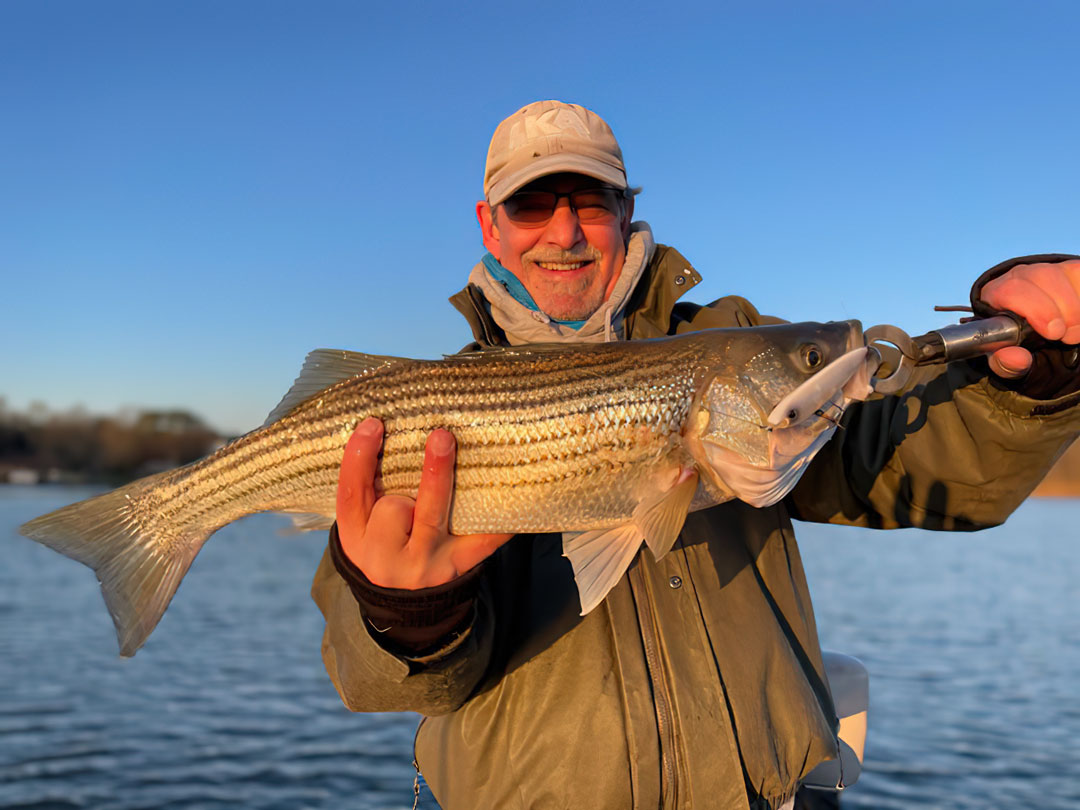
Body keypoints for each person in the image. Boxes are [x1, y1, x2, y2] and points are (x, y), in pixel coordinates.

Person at [311, 100, 1080, 810]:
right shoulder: (421, 406)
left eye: (590, 201)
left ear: (627, 210)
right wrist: (406, 615)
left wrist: (1029, 386)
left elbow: (927, 468)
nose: (564, 231)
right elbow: (373, 681)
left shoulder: (734, 338)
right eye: (533, 204)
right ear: (491, 225)